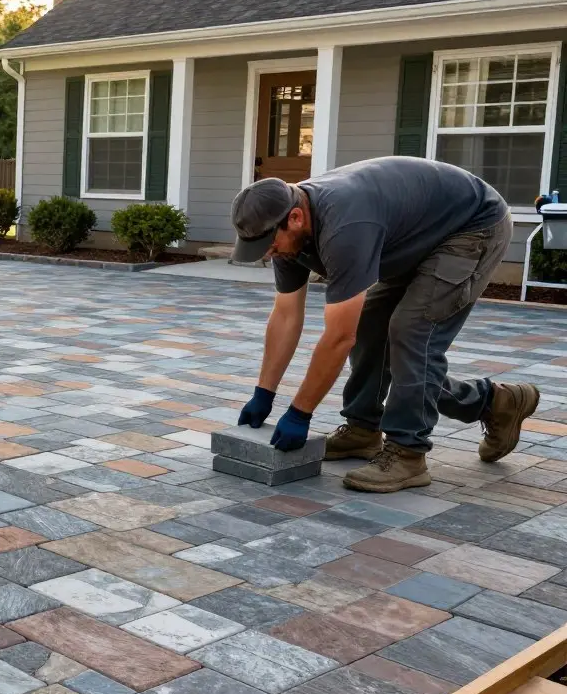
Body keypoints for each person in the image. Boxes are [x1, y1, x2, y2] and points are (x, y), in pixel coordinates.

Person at [231, 156, 539, 493]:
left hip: (470, 226)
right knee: (369, 327)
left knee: (411, 332)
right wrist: (264, 392)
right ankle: (367, 428)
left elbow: (338, 338)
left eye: (269, 245)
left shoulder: (345, 227)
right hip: (413, 234)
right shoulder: (289, 235)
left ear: (295, 217)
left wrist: (300, 412)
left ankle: (408, 453)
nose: (267, 253)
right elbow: (286, 316)